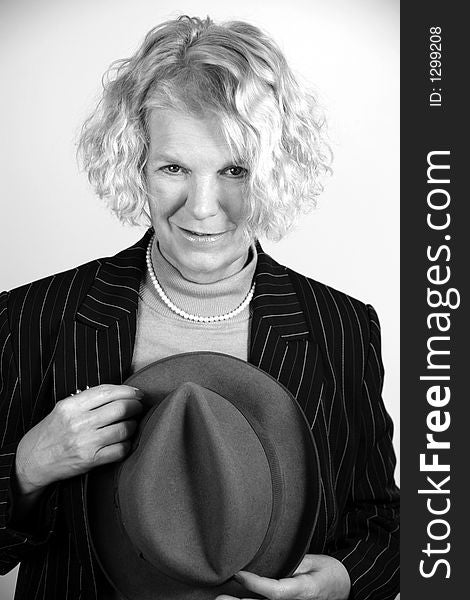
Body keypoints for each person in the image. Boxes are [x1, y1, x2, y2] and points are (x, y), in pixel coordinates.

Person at [0, 15, 399, 600]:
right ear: (136, 163)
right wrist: (25, 470)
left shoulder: (341, 327)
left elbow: (387, 530)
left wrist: (340, 581)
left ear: (273, 170)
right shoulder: (36, 317)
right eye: (173, 168)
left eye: (234, 169)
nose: (203, 207)